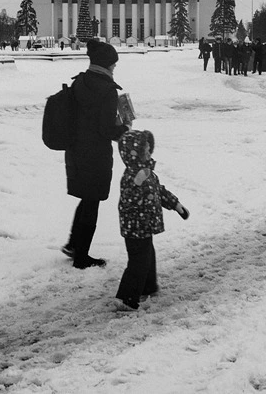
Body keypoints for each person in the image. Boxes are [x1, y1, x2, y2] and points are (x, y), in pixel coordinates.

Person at [61, 38, 130, 269]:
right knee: (92, 201)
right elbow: (106, 129)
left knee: (87, 197)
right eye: (113, 63)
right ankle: (81, 256)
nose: (115, 66)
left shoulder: (80, 81)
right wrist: (124, 128)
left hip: (76, 149)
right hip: (96, 153)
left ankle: (74, 244)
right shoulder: (107, 90)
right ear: (106, 64)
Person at [114, 129, 189, 311]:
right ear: (134, 153)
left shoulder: (147, 172)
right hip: (134, 228)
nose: (149, 153)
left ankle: (148, 287)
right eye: (145, 150)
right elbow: (128, 200)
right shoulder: (131, 176)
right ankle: (126, 298)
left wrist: (176, 205)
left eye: (149, 149)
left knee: (147, 256)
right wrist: (136, 184)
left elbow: (159, 191)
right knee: (138, 262)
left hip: (144, 227)